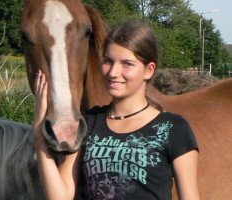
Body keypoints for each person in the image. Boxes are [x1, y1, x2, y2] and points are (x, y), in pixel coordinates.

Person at [33, 21, 200, 200]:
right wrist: (39, 135)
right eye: (108, 61)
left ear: (149, 70)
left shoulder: (172, 128)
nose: (113, 72)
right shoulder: (89, 122)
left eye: (127, 64)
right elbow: (60, 196)